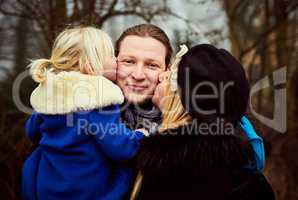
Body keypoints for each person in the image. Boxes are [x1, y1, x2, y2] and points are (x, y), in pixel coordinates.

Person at [132, 44, 275, 200]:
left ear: (182, 100)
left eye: (171, 75)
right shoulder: (250, 179)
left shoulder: (163, 172)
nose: (161, 76)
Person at [21, 26, 146, 200]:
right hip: (85, 190)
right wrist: (141, 136)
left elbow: (32, 131)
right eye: (111, 55)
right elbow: (120, 147)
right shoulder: (97, 98)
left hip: (48, 185)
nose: (116, 59)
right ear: (90, 65)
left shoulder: (49, 96)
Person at [115, 24, 173, 134]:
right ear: (114, 61)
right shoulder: (85, 110)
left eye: (152, 65)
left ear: (167, 71)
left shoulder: (191, 123)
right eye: (128, 62)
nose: (138, 75)